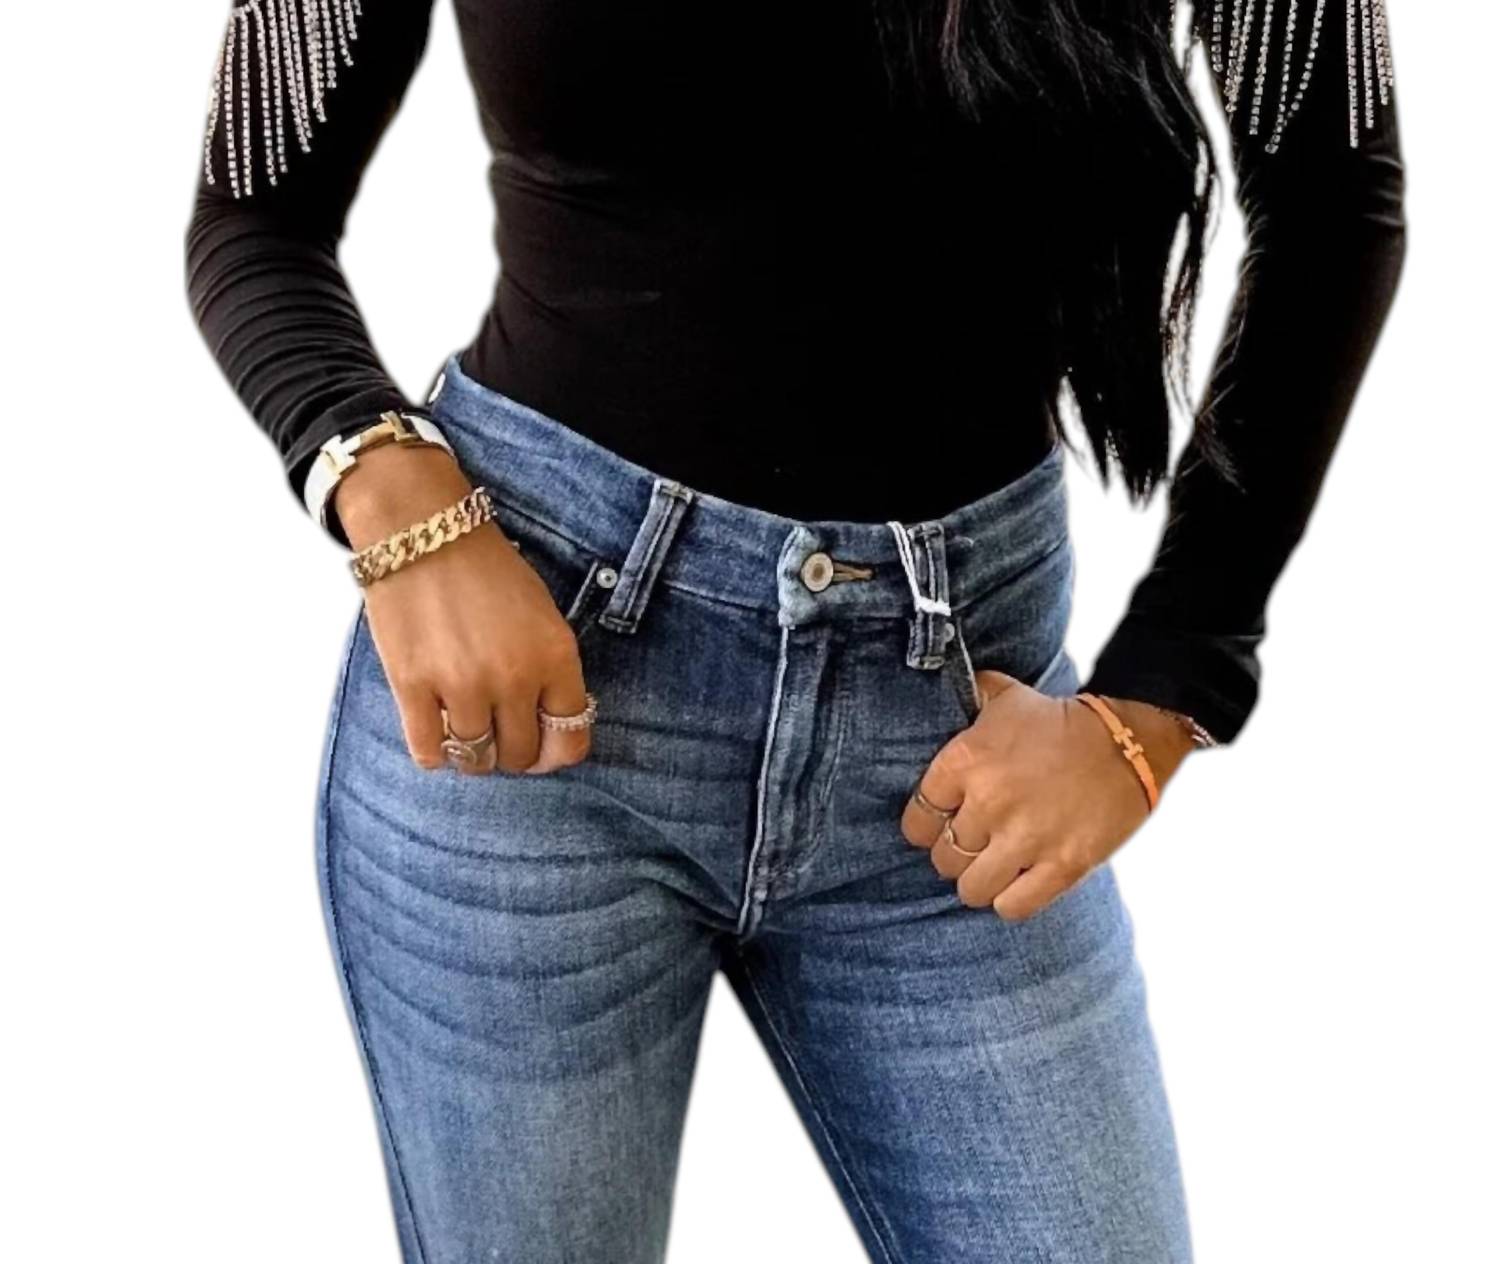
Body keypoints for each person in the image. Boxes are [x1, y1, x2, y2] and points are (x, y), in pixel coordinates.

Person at [185, 1, 1406, 1259]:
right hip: (534, 710)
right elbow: (252, 219)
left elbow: (1334, 205)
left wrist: (1163, 690)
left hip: (957, 740)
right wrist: (397, 498)